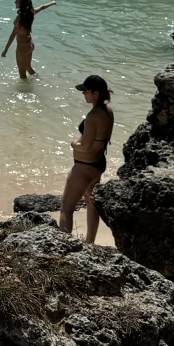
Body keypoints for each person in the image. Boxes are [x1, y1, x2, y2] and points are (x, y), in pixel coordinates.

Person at [61, 76, 113, 243]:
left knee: (66, 208)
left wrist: (73, 144)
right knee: (91, 203)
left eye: (86, 91)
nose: (83, 94)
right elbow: (102, 141)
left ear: (95, 94)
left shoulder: (92, 116)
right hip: (98, 164)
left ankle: (63, 247)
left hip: (84, 167)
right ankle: (90, 242)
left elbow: (85, 146)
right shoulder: (108, 111)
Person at [1, 0, 56, 78]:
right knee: (28, 67)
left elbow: (13, 35)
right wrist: (52, 3)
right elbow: (42, 7)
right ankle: (38, 80)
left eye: (17, 1)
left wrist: (5, 50)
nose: (15, 2)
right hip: (30, 45)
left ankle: (27, 87)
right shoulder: (31, 13)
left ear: (22, 3)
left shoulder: (19, 18)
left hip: (22, 47)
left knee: (22, 73)